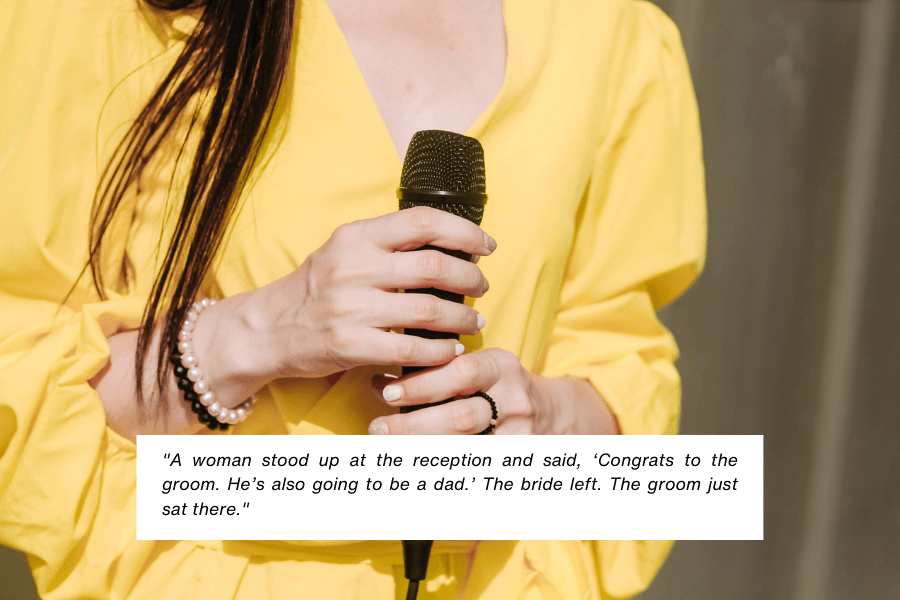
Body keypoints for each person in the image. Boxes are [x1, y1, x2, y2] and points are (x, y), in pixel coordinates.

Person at [0, 0, 706, 598]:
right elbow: (17, 376)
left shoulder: (612, 33)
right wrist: (251, 336)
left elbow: (625, 375)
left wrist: (539, 420)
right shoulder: (96, 16)